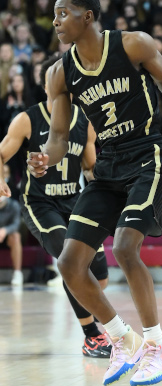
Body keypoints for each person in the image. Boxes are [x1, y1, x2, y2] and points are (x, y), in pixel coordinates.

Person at [27, 0, 162, 386]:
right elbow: (57, 133)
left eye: (63, 13)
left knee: (123, 247)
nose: (55, 21)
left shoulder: (133, 44)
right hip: (107, 167)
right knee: (69, 263)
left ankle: (157, 347)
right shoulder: (59, 72)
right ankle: (122, 338)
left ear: (88, 16)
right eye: (54, 14)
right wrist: (46, 156)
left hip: (148, 155)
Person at [0, 55, 111, 359]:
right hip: (39, 202)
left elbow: (90, 167)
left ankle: (94, 316)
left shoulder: (84, 122)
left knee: (99, 274)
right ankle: (92, 337)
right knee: (70, 260)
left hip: (74, 201)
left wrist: (109, 182)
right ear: (48, 83)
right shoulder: (27, 119)